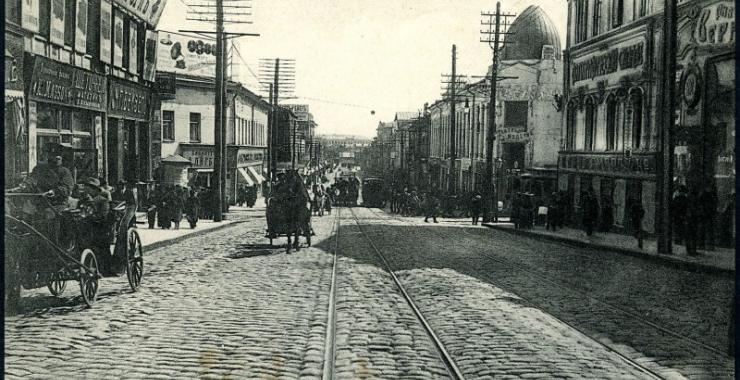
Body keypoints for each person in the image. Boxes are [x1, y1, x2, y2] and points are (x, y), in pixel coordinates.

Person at [78, 177, 113, 274]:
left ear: (94, 189)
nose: (85, 190)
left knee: (99, 245)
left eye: (88, 188)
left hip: (100, 228)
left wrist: (89, 217)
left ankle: (104, 268)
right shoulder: (84, 200)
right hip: (87, 227)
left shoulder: (102, 201)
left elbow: (103, 216)